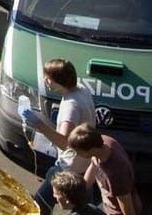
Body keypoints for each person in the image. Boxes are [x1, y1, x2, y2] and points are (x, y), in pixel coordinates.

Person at [23, 58, 96, 211]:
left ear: (58, 80)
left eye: (48, 78)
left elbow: (64, 142)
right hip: (83, 163)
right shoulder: (82, 89)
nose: (45, 81)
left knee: (39, 205)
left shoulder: (71, 106)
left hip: (68, 166)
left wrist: (39, 125)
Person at [68, 124, 141, 215]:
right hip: (107, 206)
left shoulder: (116, 171)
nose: (76, 154)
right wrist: (79, 190)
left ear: (90, 150)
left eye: (77, 151)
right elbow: (94, 165)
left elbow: (128, 210)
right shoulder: (101, 143)